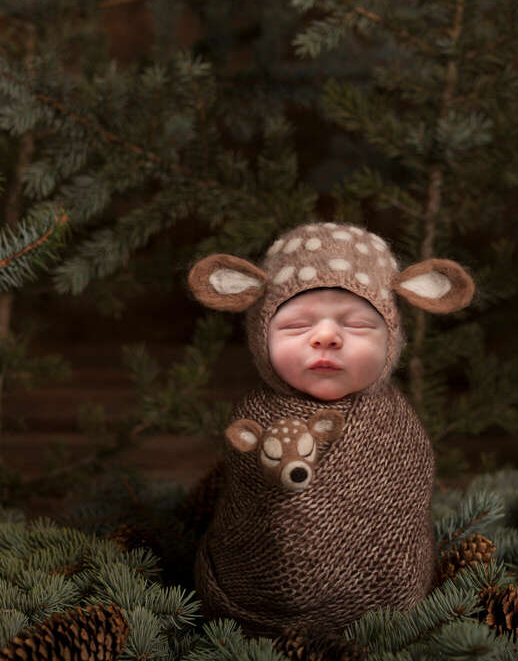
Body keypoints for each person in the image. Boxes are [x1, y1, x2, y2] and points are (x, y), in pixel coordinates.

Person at [186, 222, 474, 636]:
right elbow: (249, 506)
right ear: (261, 334)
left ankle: (376, 600)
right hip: (249, 594)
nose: (326, 338)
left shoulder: (395, 424)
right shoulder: (254, 414)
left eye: (356, 325)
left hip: (382, 600)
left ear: (390, 340)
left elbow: (404, 503)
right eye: (296, 326)